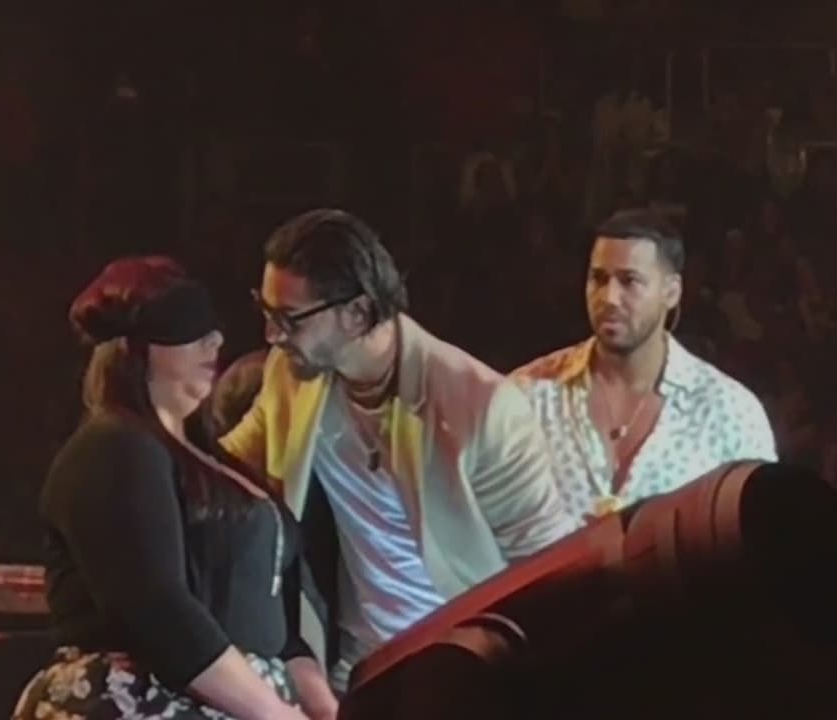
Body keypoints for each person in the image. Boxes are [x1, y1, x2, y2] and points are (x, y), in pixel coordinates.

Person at [220, 208, 575, 692]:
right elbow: (233, 468)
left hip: (455, 665)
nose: (272, 336)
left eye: (289, 319)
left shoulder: (481, 408)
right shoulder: (292, 373)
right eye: (265, 312)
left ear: (358, 313)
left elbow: (546, 567)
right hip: (351, 663)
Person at [12, 256, 336, 720]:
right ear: (137, 348)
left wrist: (320, 706)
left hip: (245, 703)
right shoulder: (115, 446)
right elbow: (158, 610)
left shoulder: (214, 462)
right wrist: (275, 714)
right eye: (190, 330)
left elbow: (278, 624)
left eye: (213, 329)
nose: (215, 340)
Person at [511, 209, 776, 522]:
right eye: (599, 279)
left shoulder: (728, 412)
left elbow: (762, 532)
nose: (609, 297)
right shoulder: (528, 395)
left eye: (629, 281)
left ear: (671, 292)